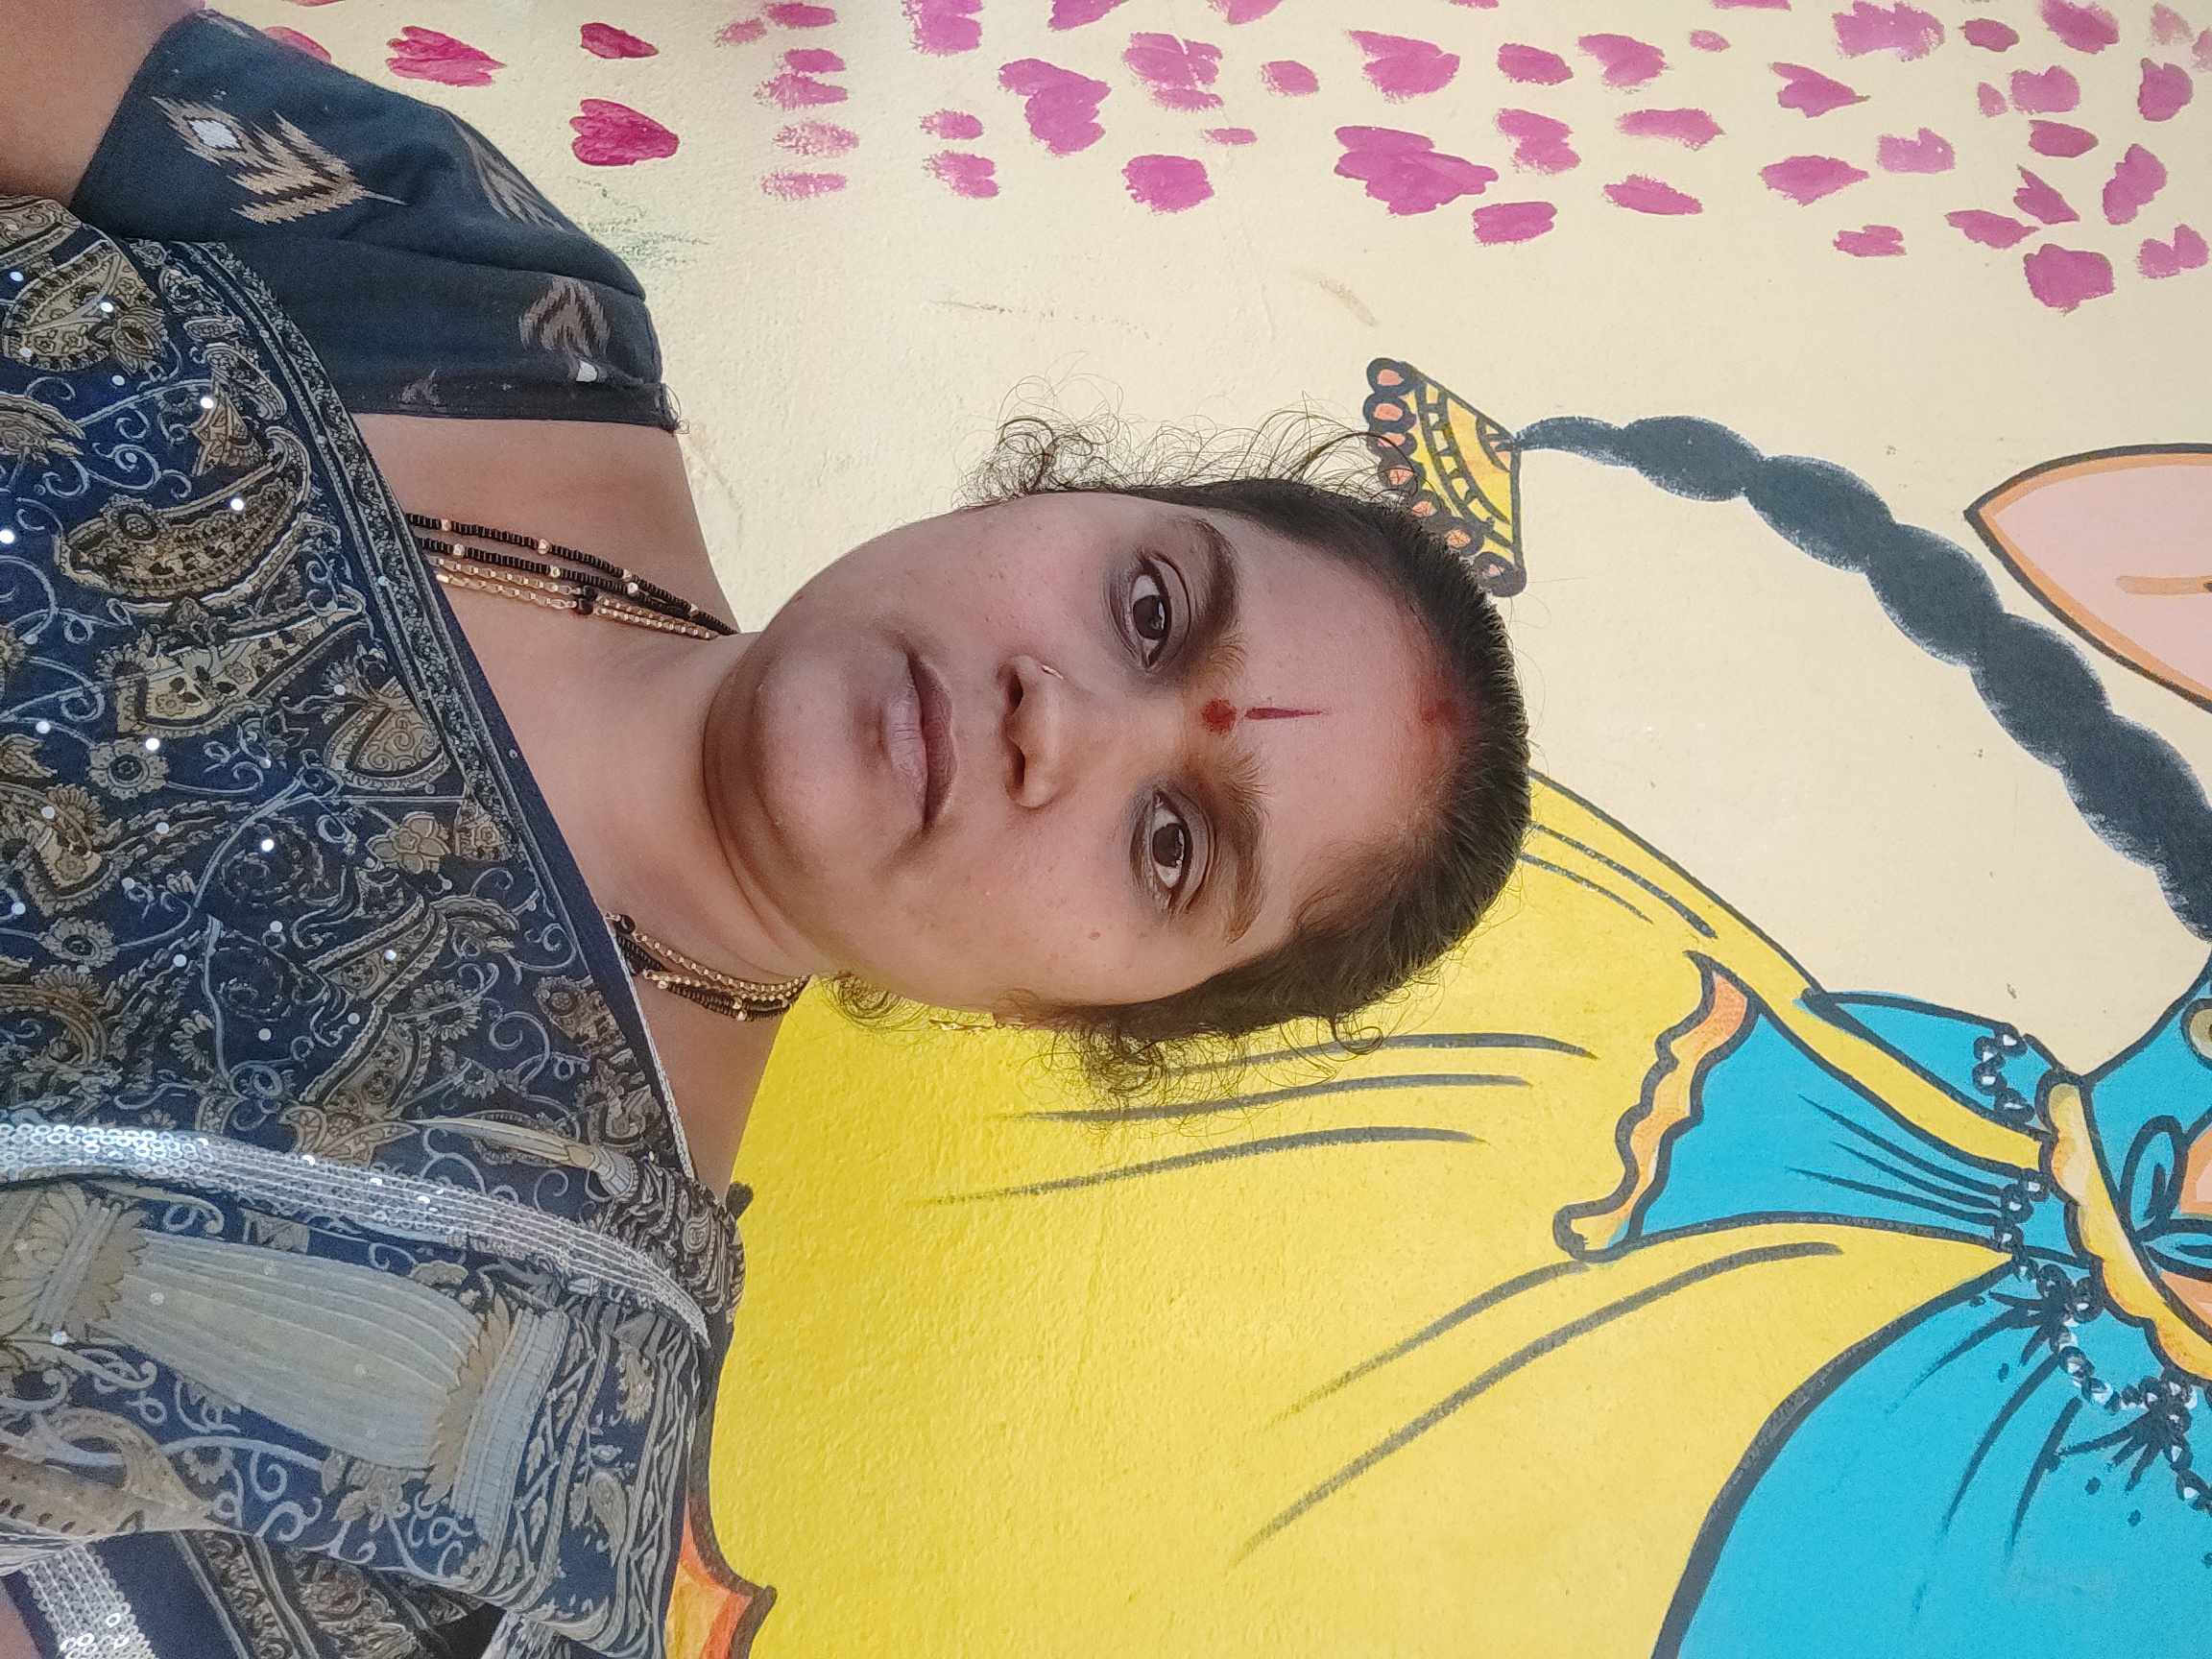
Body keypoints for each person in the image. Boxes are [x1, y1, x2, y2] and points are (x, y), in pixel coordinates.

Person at [0, 7, 1530, 1655]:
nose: (1063, 724)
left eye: (1173, 845)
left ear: (1078, 1012)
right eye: (1150, 608)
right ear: (1049, 496)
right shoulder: (482, 291)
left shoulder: (531, 1407)